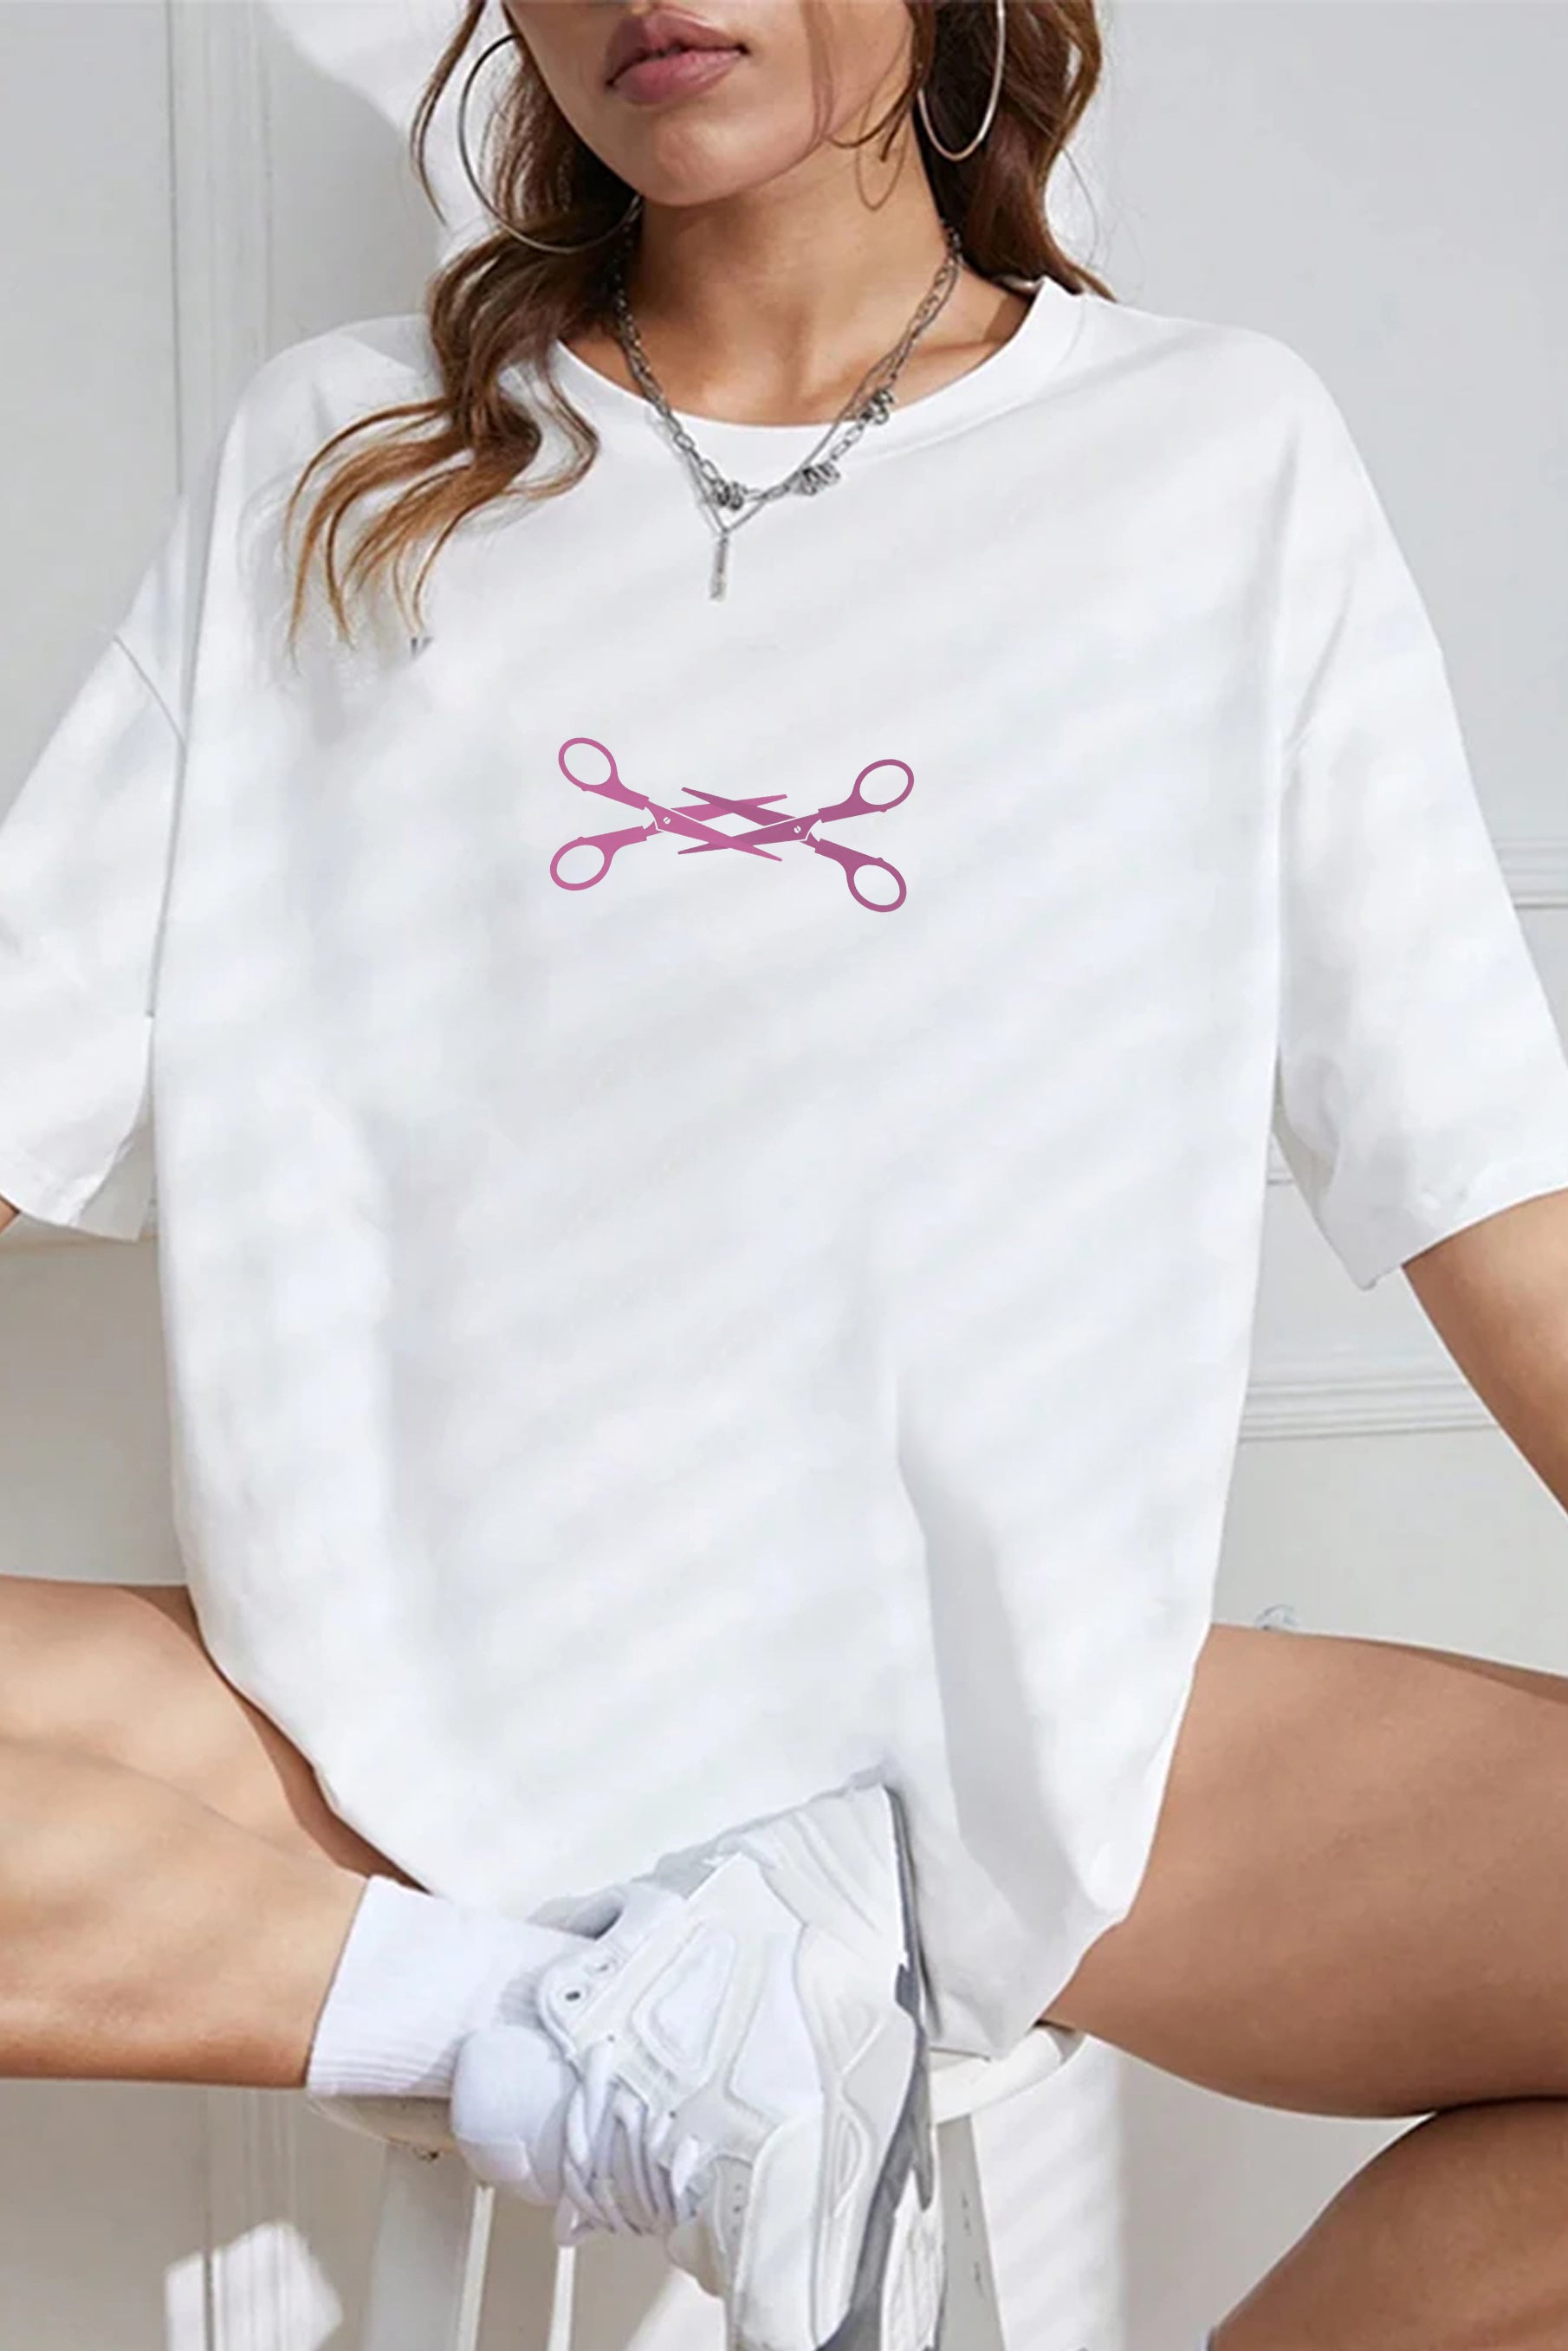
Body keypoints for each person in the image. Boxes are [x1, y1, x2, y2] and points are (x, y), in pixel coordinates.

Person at [5, 2, 1568, 2345]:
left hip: (1014, 1749)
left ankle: (681, 2026)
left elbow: (1485, 1182)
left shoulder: (1204, 460)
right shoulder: (341, 459)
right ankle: (566, 2040)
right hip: (393, 1756)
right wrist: (487, 2012)